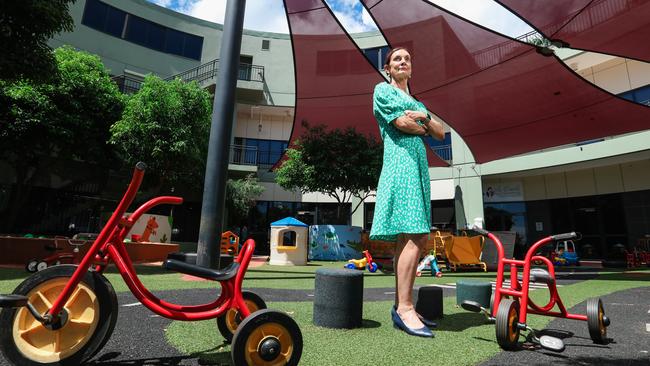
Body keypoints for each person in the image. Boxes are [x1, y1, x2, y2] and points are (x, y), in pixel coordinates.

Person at [369, 47, 444, 338]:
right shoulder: (382, 90)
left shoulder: (417, 102)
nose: (403, 62)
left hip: (418, 169)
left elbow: (440, 131)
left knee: (409, 235)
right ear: (388, 68)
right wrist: (422, 123)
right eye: (396, 59)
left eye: (407, 59)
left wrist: (423, 117)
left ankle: (402, 305)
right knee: (417, 233)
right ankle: (404, 308)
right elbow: (403, 124)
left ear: (412, 69)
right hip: (400, 166)